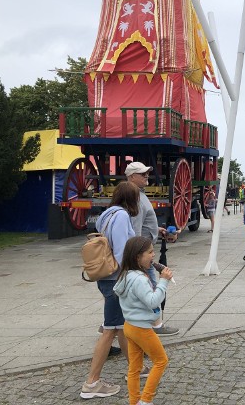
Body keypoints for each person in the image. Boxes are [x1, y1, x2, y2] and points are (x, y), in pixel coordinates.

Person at [80, 182, 139, 399]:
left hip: (106, 277)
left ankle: (134, 368)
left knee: (120, 326)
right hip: (116, 278)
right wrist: (131, 276)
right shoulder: (122, 216)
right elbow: (122, 250)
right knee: (110, 330)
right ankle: (92, 382)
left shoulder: (107, 214)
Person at [114, 237, 172, 405]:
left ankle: (134, 401)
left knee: (135, 368)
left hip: (129, 326)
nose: (153, 255)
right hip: (141, 329)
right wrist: (163, 281)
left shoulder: (126, 275)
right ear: (137, 256)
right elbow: (153, 301)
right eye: (150, 252)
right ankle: (146, 400)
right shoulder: (139, 279)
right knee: (161, 361)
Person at [125, 161, 178, 336]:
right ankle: (156, 325)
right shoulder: (136, 197)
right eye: (142, 174)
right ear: (132, 177)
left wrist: (156, 230)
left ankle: (111, 323)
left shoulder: (140, 194)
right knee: (153, 287)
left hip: (144, 250)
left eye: (147, 173)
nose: (147, 176)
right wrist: (140, 255)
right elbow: (136, 228)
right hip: (142, 253)